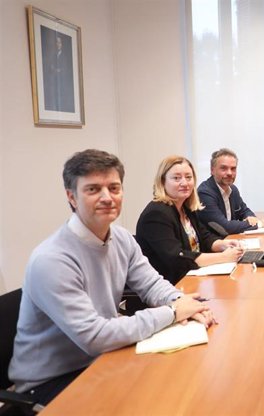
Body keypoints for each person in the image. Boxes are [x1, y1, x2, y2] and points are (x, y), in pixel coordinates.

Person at [8, 149, 214, 406]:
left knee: (183, 387)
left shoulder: (122, 238)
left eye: (114, 188)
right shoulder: (52, 259)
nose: (107, 197)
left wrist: (183, 303)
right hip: (52, 381)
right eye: (93, 189)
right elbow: (95, 337)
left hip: (105, 357)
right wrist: (173, 312)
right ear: (71, 197)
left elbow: (151, 283)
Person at [136, 156, 244, 285]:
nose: (184, 183)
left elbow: (204, 238)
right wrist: (223, 257)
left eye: (188, 177)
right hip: (169, 286)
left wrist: (223, 244)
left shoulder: (185, 207)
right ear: (163, 181)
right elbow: (177, 258)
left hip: (192, 278)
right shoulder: (157, 214)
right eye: (176, 178)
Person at [197, 148, 264, 236]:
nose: (230, 173)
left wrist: (251, 218)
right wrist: (258, 224)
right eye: (224, 168)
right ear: (212, 170)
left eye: (233, 169)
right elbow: (224, 227)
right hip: (214, 246)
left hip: (230, 241)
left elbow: (245, 211)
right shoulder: (204, 193)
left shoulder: (233, 190)